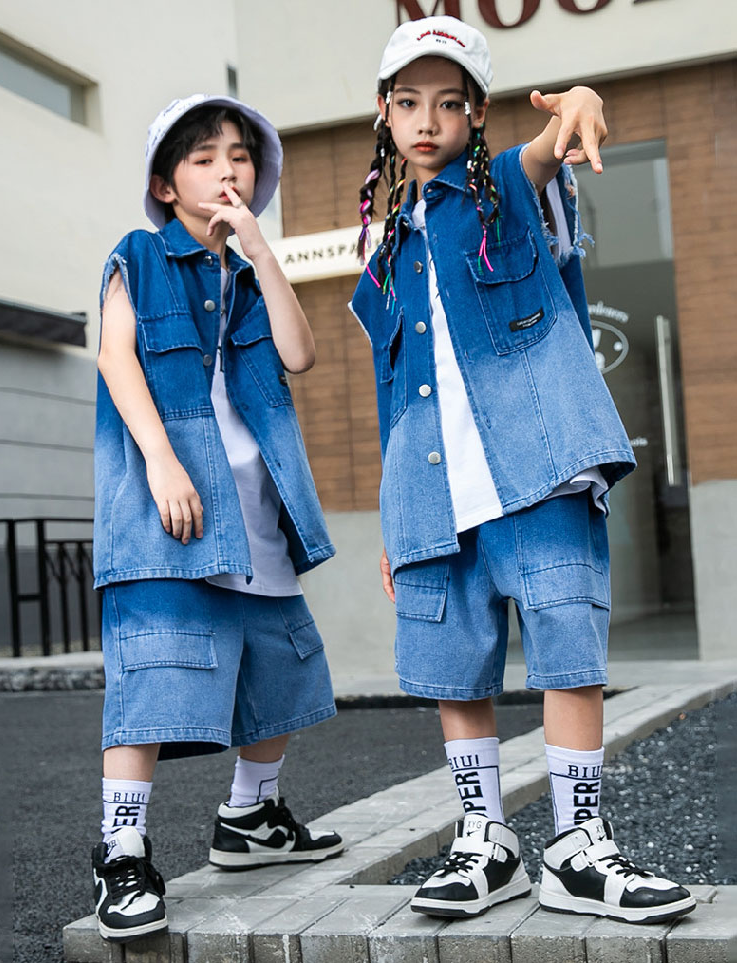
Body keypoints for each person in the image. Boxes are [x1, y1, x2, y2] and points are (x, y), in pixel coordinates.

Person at [350, 17, 695, 925]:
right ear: (385, 114)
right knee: (455, 673)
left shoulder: (507, 187)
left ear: (476, 114)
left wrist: (579, 102)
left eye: (448, 102)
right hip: (430, 494)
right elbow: (390, 390)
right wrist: (394, 518)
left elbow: (549, 148)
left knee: (568, 654)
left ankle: (578, 846)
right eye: (409, 102)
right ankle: (486, 842)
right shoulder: (385, 255)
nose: (428, 120)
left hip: (539, 471)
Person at [91, 94, 343, 944]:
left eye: (238, 155)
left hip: (255, 507)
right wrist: (163, 461)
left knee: (282, 669)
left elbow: (301, 354)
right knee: (153, 674)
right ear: (166, 185)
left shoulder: (249, 272)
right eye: (203, 158)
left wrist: (262, 250)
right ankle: (122, 852)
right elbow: (115, 356)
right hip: (170, 508)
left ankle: (249, 816)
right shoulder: (138, 255)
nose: (226, 170)